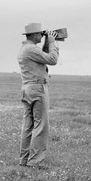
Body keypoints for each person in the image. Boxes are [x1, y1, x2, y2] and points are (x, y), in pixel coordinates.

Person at [17, 22, 59, 167]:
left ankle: (24, 160)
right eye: (40, 34)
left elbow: (43, 56)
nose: (42, 35)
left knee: (28, 126)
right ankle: (35, 161)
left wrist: (47, 43)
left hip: (28, 88)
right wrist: (52, 42)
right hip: (38, 88)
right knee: (41, 125)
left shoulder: (25, 49)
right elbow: (52, 59)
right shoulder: (31, 49)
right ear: (34, 35)